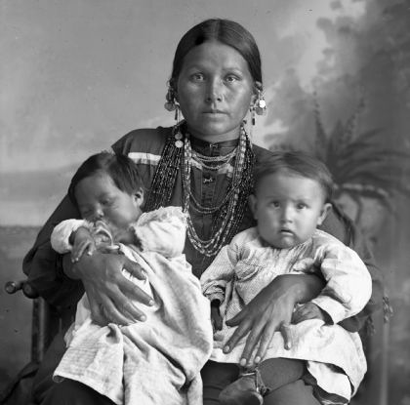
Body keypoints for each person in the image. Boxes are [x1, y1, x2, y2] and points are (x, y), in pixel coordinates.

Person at [22, 18, 384, 405]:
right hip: (136, 336)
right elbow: (47, 257)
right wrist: (87, 262)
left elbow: (365, 283)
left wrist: (297, 285)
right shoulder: (134, 153)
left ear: (255, 92)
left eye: (231, 78)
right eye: (197, 77)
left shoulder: (280, 180)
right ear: (174, 88)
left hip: (236, 350)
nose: (214, 94)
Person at [200, 151, 372, 405]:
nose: (287, 216)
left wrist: (324, 307)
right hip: (241, 332)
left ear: (322, 214)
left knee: (298, 347)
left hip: (295, 332)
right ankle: (219, 395)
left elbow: (355, 280)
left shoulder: (324, 248)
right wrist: (213, 302)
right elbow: (216, 275)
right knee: (215, 363)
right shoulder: (242, 244)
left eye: (301, 206)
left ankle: (255, 383)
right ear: (255, 207)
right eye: (275, 204)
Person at [49, 151, 213, 405]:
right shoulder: (94, 234)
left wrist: (127, 236)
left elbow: (171, 238)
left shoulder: (159, 220)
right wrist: (79, 232)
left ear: (137, 197)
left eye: (107, 202)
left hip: (162, 321)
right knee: (89, 376)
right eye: (87, 211)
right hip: (111, 325)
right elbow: (59, 234)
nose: (98, 214)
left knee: (148, 377)